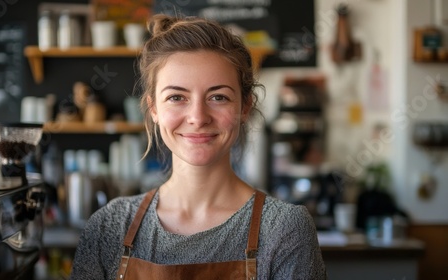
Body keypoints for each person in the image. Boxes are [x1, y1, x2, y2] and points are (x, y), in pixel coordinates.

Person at [70, 14, 326, 279]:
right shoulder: (109, 227)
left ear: (245, 106)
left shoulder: (284, 229)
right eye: (177, 97)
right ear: (153, 108)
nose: (198, 117)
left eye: (218, 97)